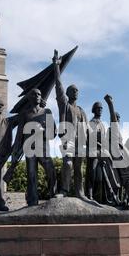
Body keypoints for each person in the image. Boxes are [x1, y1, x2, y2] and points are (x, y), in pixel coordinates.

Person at [5, 89, 57, 206]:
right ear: (29, 97)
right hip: (29, 149)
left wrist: (43, 131)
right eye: (34, 94)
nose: (38, 96)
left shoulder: (47, 112)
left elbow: (53, 133)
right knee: (31, 175)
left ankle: (53, 195)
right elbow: (19, 135)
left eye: (39, 94)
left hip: (43, 148)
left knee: (51, 171)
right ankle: (32, 201)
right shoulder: (24, 114)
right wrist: (15, 152)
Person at [53, 50, 89, 200]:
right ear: (67, 93)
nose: (76, 92)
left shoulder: (81, 110)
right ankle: (64, 190)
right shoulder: (65, 105)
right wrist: (56, 66)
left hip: (80, 142)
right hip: (68, 140)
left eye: (77, 90)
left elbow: (86, 129)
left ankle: (80, 193)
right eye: (73, 90)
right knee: (67, 164)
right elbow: (58, 86)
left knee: (79, 168)